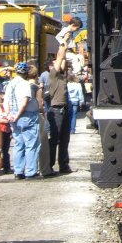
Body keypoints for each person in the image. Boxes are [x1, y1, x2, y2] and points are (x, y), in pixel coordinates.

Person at [3, 62, 41, 179]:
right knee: (31, 144)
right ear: (25, 73)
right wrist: (18, 115)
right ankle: (31, 171)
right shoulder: (25, 85)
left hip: (13, 117)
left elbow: (6, 101)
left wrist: (9, 115)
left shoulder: (10, 84)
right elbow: (24, 103)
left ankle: (18, 171)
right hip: (27, 116)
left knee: (18, 144)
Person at [47, 38, 72, 174]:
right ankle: (49, 165)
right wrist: (63, 44)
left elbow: (63, 61)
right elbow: (60, 57)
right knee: (55, 139)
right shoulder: (53, 76)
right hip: (56, 110)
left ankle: (64, 165)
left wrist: (65, 55)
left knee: (64, 140)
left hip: (65, 109)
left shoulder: (62, 76)